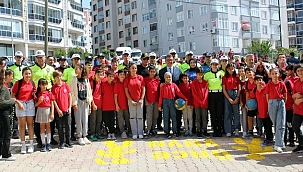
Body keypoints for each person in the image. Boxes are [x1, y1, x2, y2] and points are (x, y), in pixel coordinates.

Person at [30, 50, 56, 147]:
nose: (40, 59)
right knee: (38, 120)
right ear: (36, 58)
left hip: (48, 93)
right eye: (38, 57)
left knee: (50, 120)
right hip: (37, 94)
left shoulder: (51, 68)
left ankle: (51, 138)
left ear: (45, 57)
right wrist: (33, 94)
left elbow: (54, 82)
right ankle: (40, 140)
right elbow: (30, 83)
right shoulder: (31, 69)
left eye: (42, 57)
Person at [11, 67, 36, 154]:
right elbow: (12, 95)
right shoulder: (18, 83)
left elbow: (33, 92)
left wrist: (34, 95)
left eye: (29, 74)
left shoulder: (32, 83)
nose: (28, 75)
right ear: (23, 74)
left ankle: (31, 144)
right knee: (22, 126)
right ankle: (23, 145)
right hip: (20, 103)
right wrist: (18, 103)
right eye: (26, 74)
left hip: (30, 104)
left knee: (30, 125)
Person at [158, 72, 187, 138]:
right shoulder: (162, 86)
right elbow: (161, 96)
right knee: (166, 117)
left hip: (173, 101)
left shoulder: (174, 85)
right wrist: (160, 105)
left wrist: (185, 99)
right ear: (164, 78)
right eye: (167, 77)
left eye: (169, 77)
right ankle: (167, 131)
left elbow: (179, 93)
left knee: (174, 117)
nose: (168, 78)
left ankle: (175, 130)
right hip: (165, 101)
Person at [265, 68, 287, 153]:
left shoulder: (282, 84)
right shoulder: (269, 84)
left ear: (279, 74)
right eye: (273, 73)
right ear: (270, 75)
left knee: (280, 124)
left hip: (280, 102)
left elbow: (285, 95)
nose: (275, 75)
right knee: (275, 122)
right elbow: (267, 95)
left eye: (276, 73)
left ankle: (278, 144)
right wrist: (270, 103)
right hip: (272, 102)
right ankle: (280, 141)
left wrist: (283, 103)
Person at [71, 64, 93, 145]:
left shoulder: (86, 79)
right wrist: (74, 103)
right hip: (78, 101)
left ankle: (85, 135)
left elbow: (89, 91)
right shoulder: (74, 79)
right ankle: (79, 136)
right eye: (75, 69)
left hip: (85, 101)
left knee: (85, 119)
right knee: (78, 119)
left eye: (77, 68)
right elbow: (72, 92)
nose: (76, 70)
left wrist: (90, 102)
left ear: (81, 69)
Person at [51, 71, 73, 149]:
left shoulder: (66, 86)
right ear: (54, 79)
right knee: (60, 127)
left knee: (68, 126)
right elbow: (53, 100)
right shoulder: (53, 88)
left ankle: (68, 141)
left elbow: (70, 97)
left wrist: (70, 107)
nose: (59, 78)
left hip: (67, 109)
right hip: (59, 111)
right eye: (57, 77)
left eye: (60, 76)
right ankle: (61, 142)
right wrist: (58, 110)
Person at [124, 63, 145, 139]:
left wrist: (141, 99)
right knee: (132, 117)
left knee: (140, 117)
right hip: (131, 100)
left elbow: (143, 89)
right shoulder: (127, 79)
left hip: (139, 100)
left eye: (135, 68)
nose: (134, 70)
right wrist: (131, 100)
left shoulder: (140, 78)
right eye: (132, 68)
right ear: (129, 69)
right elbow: (126, 91)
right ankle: (134, 133)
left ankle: (140, 132)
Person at [63, 53, 81, 141]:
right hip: (70, 95)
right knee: (72, 117)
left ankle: (80, 133)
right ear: (72, 60)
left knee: (79, 115)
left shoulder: (81, 69)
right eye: (75, 59)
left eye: (78, 59)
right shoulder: (67, 70)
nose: (76, 60)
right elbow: (63, 81)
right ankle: (71, 134)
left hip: (80, 95)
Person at [204, 59, 224, 137]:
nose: (215, 66)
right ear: (211, 65)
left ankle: (220, 129)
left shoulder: (221, 73)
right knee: (213, 113)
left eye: (216, 64)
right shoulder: (207, 75)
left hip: (219, 93)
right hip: (211, 94)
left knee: (219, 113)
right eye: (213, 64)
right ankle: (215, 130)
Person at [0, 69, 17, 160]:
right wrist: (12, 101)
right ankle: (6, 154)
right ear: (6, 76)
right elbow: (1, 102)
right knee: (7, 132)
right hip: (3, 112)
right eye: (11, 76)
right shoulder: (3, 88)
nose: (12, 78)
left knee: (2, 132)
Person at [34, 79, 54, 152]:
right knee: (42, 127)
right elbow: (35, 105)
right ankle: (43, 144)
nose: (44, 86)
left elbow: (52, 103)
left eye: (45, 84)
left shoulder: (49, 93)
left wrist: (52, 113)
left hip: (47, 110)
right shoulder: (37, 94)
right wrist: (39, 101)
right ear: (39, 85)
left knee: (48, 127)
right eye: (42, 85)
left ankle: (48, 143)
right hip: (40, 110)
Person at [254, 75, 273, 147]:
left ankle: (269, 138)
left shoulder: (266, 88)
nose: (259, 81)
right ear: (255, 82)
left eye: (261, 80)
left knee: (268, 125)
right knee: (264, 125)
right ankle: (268, 137)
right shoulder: (255, 90)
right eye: (258, 80)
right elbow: (253, 99)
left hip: (268, 110)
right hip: (260, 111)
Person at [222, 63, 241, 137]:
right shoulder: (224, 77)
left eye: (232, 68)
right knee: (227, 113)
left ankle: (236, 129)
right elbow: (224, 89)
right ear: (227, 69)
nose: (231, 70)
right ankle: (228, 130)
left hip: (236, 93)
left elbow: (239, 88)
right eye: (229, 69)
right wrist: (229, 98)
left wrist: (237, 97)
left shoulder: (236, 77)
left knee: (236, 112)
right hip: (227, 94)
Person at [191, 68, 209, 138]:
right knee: (198, 117)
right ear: (196, 74)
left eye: (201, 74)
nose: (200, 76)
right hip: (197, 103)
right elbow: (194, 94)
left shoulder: (205, 82)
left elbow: (206, 92)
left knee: (204, 117)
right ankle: (198, 130)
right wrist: (200, 101)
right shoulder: (194, 83)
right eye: (199, 74)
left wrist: (204, 101)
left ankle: (205, 130)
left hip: (204, 103)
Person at [144, 66, 160, 137]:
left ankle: (153, 128)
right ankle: (148, 129)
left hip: (156, 101)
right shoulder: (145, 80)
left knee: (155, 116)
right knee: (149, 116)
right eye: (151, 72)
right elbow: (144, 91)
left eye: (154, 72)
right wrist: (145, 100)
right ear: (148, 72)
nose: (152, 73)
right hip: (149, 101)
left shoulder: (158, 80)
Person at [114, 70, 130, 139]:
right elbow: (115, 96)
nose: (122, 76)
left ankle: (129, 131)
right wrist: (116, 105)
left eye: (123, 74)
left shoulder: (127, 82)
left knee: (127, 118)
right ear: (118, 76)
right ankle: (122, 131)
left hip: (127, 105)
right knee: (120, 119)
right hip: (120, 105)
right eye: (121, 74)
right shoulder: (117, 84)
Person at [292, 64, 303, 152]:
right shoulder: (296, 82)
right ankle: (301, 143)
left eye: (301, 70)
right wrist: (294, 95)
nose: (300, 72)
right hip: (298, 109)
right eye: (298, 71)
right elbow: (293, 95)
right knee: (295, 125)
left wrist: (301, 100)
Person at [101, 71, 116, 140]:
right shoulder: (103, 84)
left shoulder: (114, 84)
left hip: (112, 106)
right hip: (105, 106)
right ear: (107, 77)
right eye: (109, 76)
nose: (111, 78)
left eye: (112, 76)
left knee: (112, 121)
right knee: (106, 121)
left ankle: (112, 132)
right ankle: (108, 133)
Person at [90, 70, 104, 141]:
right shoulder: (93, 83)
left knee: (99, 120)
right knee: (93, 120)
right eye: (98, 75)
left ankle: (98, 133)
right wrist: (93, 104)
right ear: (95, 75)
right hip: (94, 105)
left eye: (101, 75)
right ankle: (92, 134)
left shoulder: (101, 83)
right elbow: (90, 94)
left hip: (100, 105)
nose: (99, 76)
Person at [245, 68, 257, 137]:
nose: (249, 74)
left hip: (258, 101)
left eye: (250, 72)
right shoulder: (247, 83)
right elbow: (247, 94)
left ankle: (260, 130)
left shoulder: (257, 81)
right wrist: (247, 104)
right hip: (251, 102)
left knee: (260, 118)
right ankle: (250, 131)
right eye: (247, 73)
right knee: (250, 117)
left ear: (253, 73)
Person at [239, 67, 248, 138]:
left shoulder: (249, 81)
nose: (242, 72)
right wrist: (241, 101)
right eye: (240, 71)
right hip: (243, 101)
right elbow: (240, 93)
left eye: (242, 71)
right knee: (244, 116)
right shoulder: (240, 82)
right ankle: (244, 131)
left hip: (250, 101)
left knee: (250, 117)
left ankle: (251, 130)